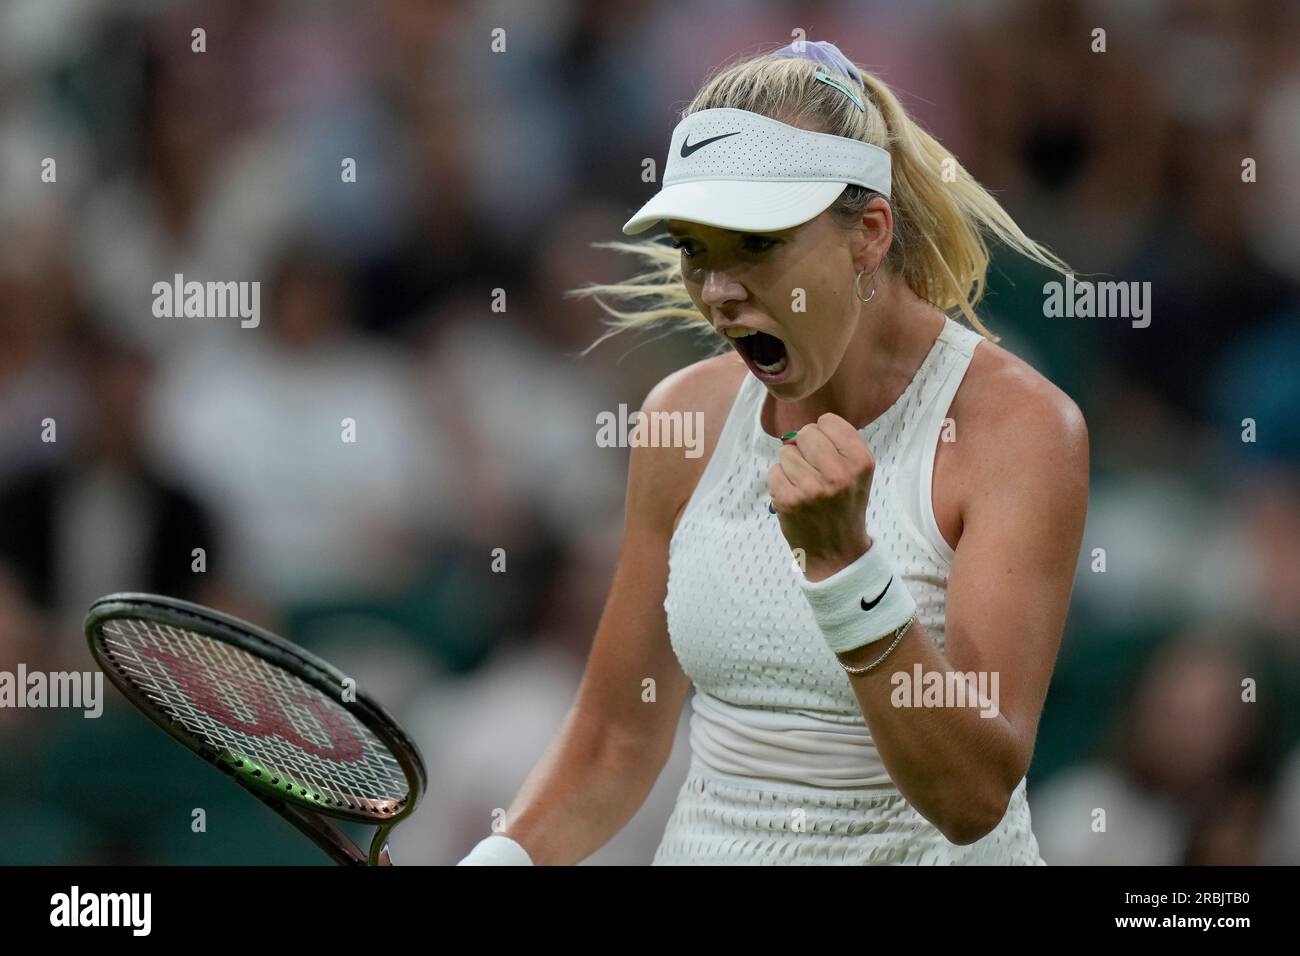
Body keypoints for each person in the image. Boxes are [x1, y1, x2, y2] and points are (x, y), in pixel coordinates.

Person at [459, 40, 1088, 865]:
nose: (717, 290)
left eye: (755, 245)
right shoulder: (682, 420)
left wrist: (847, 569)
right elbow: (615, 740)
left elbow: (971, 798)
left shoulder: (1020, 430)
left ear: (868, 233)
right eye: (694, 248)